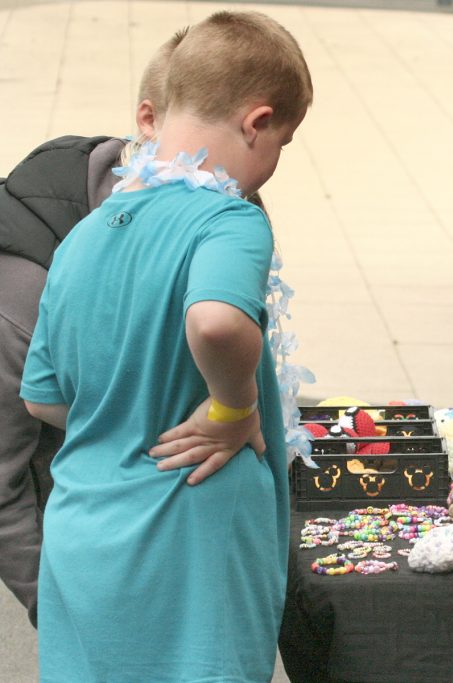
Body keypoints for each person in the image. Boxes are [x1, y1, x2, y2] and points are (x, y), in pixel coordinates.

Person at [19, 10, 313, 681]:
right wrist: (232, 408)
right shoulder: (230, 220)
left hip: (84, 538)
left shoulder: (82, 237)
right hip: (191, 539)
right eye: (283, 143)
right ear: (257, 122)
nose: (273, 164)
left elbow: (43, 402)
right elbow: (214, 321)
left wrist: (130, 412)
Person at [0, 28, 184, 628]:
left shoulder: (201, 197)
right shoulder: (20, 299)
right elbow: (3, 484)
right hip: (74, 531)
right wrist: (55, 609)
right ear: (149, 122)